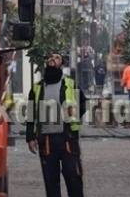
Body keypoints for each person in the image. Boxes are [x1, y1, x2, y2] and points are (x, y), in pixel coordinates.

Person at [27, 52, 87, 197]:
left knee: (73, 177)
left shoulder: (70, 84)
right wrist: (30, 138)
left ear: (62, 65)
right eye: (50, 57)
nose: (52, 58)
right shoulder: (37, 88)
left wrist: (75, 113)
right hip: (46, 141)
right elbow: (30, 115)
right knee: (51, 181)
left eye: (57, 57)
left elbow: (83, 103)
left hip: (67, 139)